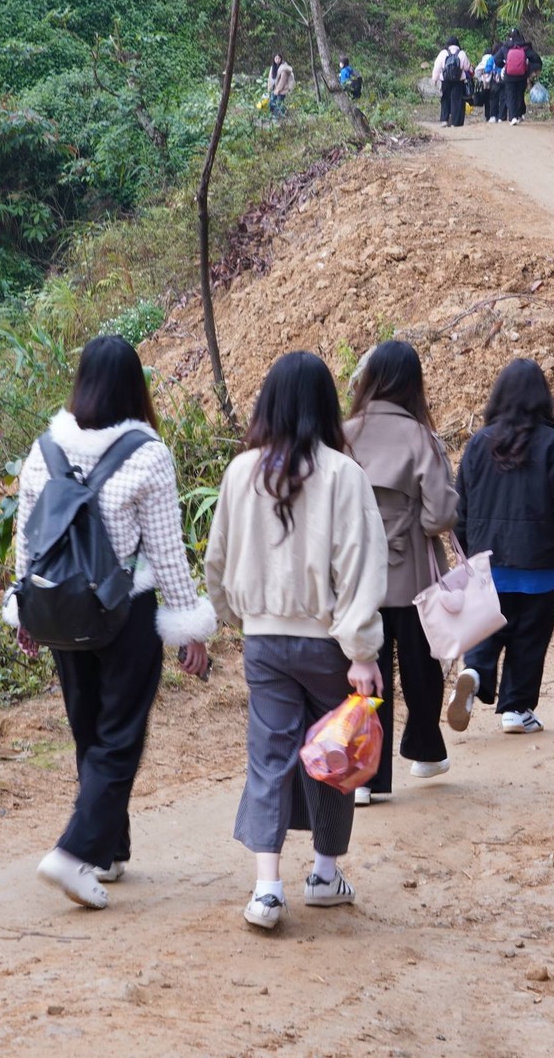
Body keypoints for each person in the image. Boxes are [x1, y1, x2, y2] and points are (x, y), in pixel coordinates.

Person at [10, 336, 217, 910]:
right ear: (135, 387)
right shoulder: (147, 454)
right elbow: (168, 552)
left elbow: (28, 542)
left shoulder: (43, 448)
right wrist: (189, 626)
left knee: (89, 729)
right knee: (119, 736)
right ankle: (74, 853)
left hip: (60, 610)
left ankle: (107, 849)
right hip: (126, 613)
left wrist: (22, 610)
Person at [207, 351, 388, 932]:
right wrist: (362, 652)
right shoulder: (342, 474)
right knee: (331, 756)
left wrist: (236, 619)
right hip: (325, 645)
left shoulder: (241, 472)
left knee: (269, 757)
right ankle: (324, 875)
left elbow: (217, 561)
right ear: (324, 405)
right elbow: (360, 567)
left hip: (263, 642)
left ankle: (266, 890)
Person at [343, 341, 461, 803]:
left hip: (357, 579)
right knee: (421, 669)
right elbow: (438, 518)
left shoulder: (344, 432)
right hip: (410, 576)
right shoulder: (421, 437)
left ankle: (366, 776)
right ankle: (425, 751)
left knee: (363, 672)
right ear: (413, 383)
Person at [456, 359, 554, 735]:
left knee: (487, 629)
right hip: (540, 571)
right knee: (528, 641)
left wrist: (467, 555)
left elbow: (460, 509)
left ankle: (475, 671)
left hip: (488, 567)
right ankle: (516, 710)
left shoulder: (476, 445)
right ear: (542, 399)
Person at [495, 28, 539, 122]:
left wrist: (505, 65)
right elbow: (536, 59)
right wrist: (529, 69)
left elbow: (496, 60)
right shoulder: (525, 47)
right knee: (519, 95)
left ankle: (512, 117)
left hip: (509, 75)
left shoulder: (505, 47)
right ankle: (518, 115)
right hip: (522, 75)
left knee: (510, 95)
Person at [435, 40, 472, 127]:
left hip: (445, 80)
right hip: (458, 81)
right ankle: (455, 123)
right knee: (457, 101)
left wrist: (435, 79)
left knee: (445, 99)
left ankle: (444, 120)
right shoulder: (461, 53)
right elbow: (466, 67)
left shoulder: (443, 53)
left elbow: (437, 66)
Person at [474, 51, 502, 121]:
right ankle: (496, 115)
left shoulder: (484, 60)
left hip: (485, 84)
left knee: (487, 100)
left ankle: (488, 116)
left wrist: (480, 79)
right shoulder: (494, 57)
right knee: (494, 99)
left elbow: (477, 71)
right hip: (494, 82)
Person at [268, 54, 295, 119]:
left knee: (279, 104)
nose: (277, 60)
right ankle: (276, 116)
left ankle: (279, 118)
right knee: (271, 103)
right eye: (276, 58)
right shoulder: (273, 67)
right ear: (274, 59)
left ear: (281, 59)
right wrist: (269, 88)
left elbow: (282, 81)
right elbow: (270, 79)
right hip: (274, 89)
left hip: (282, 90)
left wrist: (278, 90)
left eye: (278, 58)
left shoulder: (284, 68)